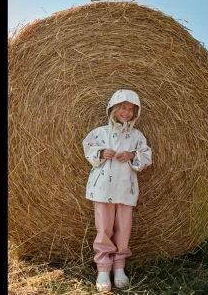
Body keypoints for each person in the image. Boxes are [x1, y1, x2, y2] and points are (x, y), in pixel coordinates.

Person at [83, 89, 152, 292]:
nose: (127, 113)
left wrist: (132, 155)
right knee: (104, 228)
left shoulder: (137, 136)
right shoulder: (100, 132)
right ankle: (103, 268)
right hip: (102, 189)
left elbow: (146, 155)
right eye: (123, 108)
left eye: (131, 110)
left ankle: (119, 266)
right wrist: (101, 152)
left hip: (126, 190)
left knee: (124, 228)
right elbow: (88, 148)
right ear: (113, 108)